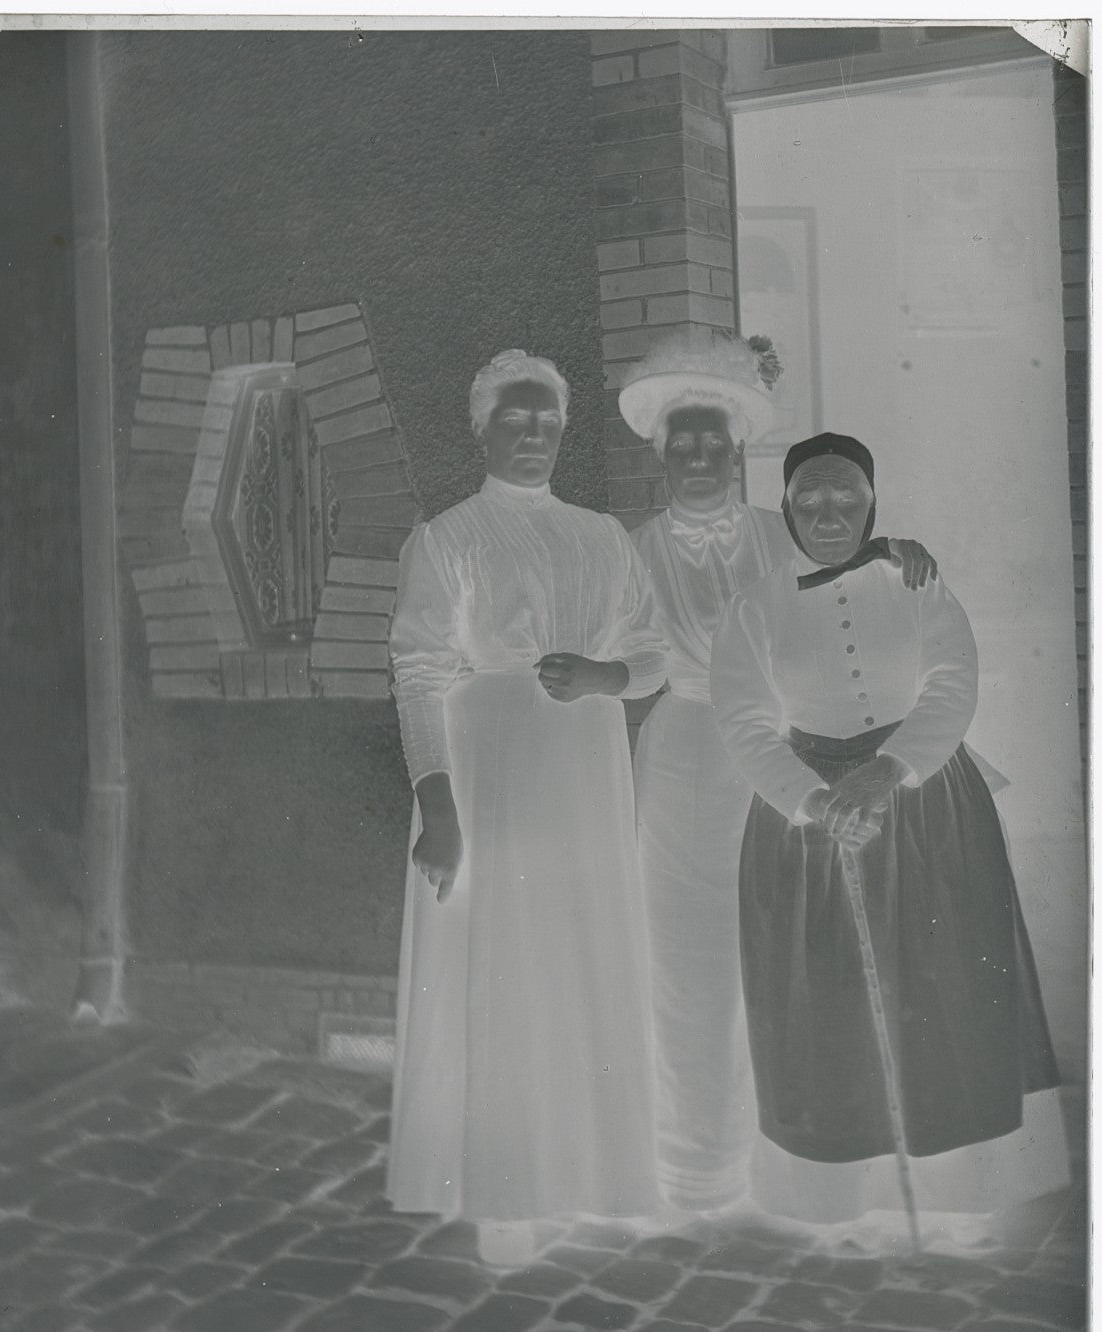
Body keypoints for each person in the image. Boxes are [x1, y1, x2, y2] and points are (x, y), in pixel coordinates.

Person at [709, 432, 1070, 1251]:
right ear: (786, 506)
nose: (827, 513)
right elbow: (740, 720)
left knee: (943, 992)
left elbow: (951, 683)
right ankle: (846, 1202)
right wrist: (812, 799)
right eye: (809, 498)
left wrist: (889, 771)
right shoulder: (754, 605)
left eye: (845, 497)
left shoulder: (915, 581)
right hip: (807, 823)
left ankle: (961, 1196)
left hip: (926, 807)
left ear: (870, 502)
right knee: (828, 1003)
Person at [617, 329, 935, 1213]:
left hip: (788, 754)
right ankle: (698, 1166)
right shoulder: (630, 551)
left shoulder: (780, 534)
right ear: (660, 452)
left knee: (794, 952)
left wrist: (895, 553)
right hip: (686, 756)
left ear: (738, 452)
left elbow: (849, 581)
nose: (698, 458)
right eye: (682, 444)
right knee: (690, 961)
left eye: (714, 443)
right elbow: (622, 655)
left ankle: (798, 1164)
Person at [387, 349, 669, 1267]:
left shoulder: (601, 536)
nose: (533, 435)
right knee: (502, 966)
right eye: (514, 419)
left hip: (581, 772)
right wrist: (438, 809)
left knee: (578, 956)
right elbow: (418, 674)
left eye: (546, 419)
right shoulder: (447, 539)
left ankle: (592, 1173)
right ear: (481, 429)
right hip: (490, 770)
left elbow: (654, 653)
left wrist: (605, 676)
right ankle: (504, 1194)